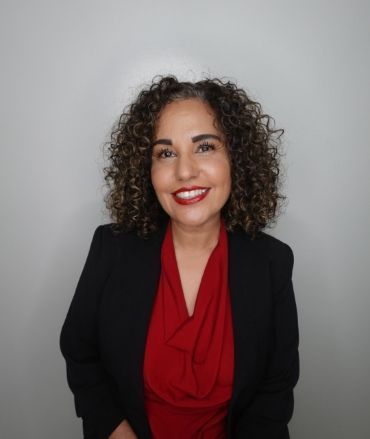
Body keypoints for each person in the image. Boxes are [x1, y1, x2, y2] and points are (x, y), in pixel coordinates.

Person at [59, 75, 300, 439]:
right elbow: (80, 351)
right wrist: (114, 430)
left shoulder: (272, 263)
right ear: (147, 170)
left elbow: (275, 390)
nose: (184, 172)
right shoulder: (112, 247)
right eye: (166, 153)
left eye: (205, 147)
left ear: (236, 158)